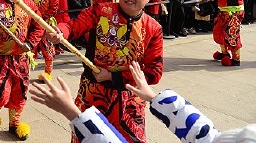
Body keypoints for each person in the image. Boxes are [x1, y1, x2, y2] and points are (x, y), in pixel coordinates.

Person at [46, 0, 164, 142]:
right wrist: (59, 31)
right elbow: (74, 26)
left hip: (129, 97)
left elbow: (154, 73)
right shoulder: (101, 11)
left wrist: (113, 76)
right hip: (93, 92)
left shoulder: (153, 28)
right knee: (87, 137)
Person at [30, 61, 256, 143]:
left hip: (128, 98)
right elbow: (208, 137)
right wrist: (155, 97)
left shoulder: (152, 27)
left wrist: (73, 112)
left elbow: (155, 70)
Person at [0, 0, 45, 141]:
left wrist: (31, 44)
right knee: (0, 92)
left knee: (20, 92)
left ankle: (15, 124)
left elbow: (39, 26)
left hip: (22, 58)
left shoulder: (28, 4)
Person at [26, 0, 58, 81]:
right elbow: (28, 2)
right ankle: (25, 72)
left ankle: (47, 73)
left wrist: (42, 20)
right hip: (32, 23)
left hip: (45, 24)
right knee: (30, 49)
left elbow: (53, 8)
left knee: (47, 49)